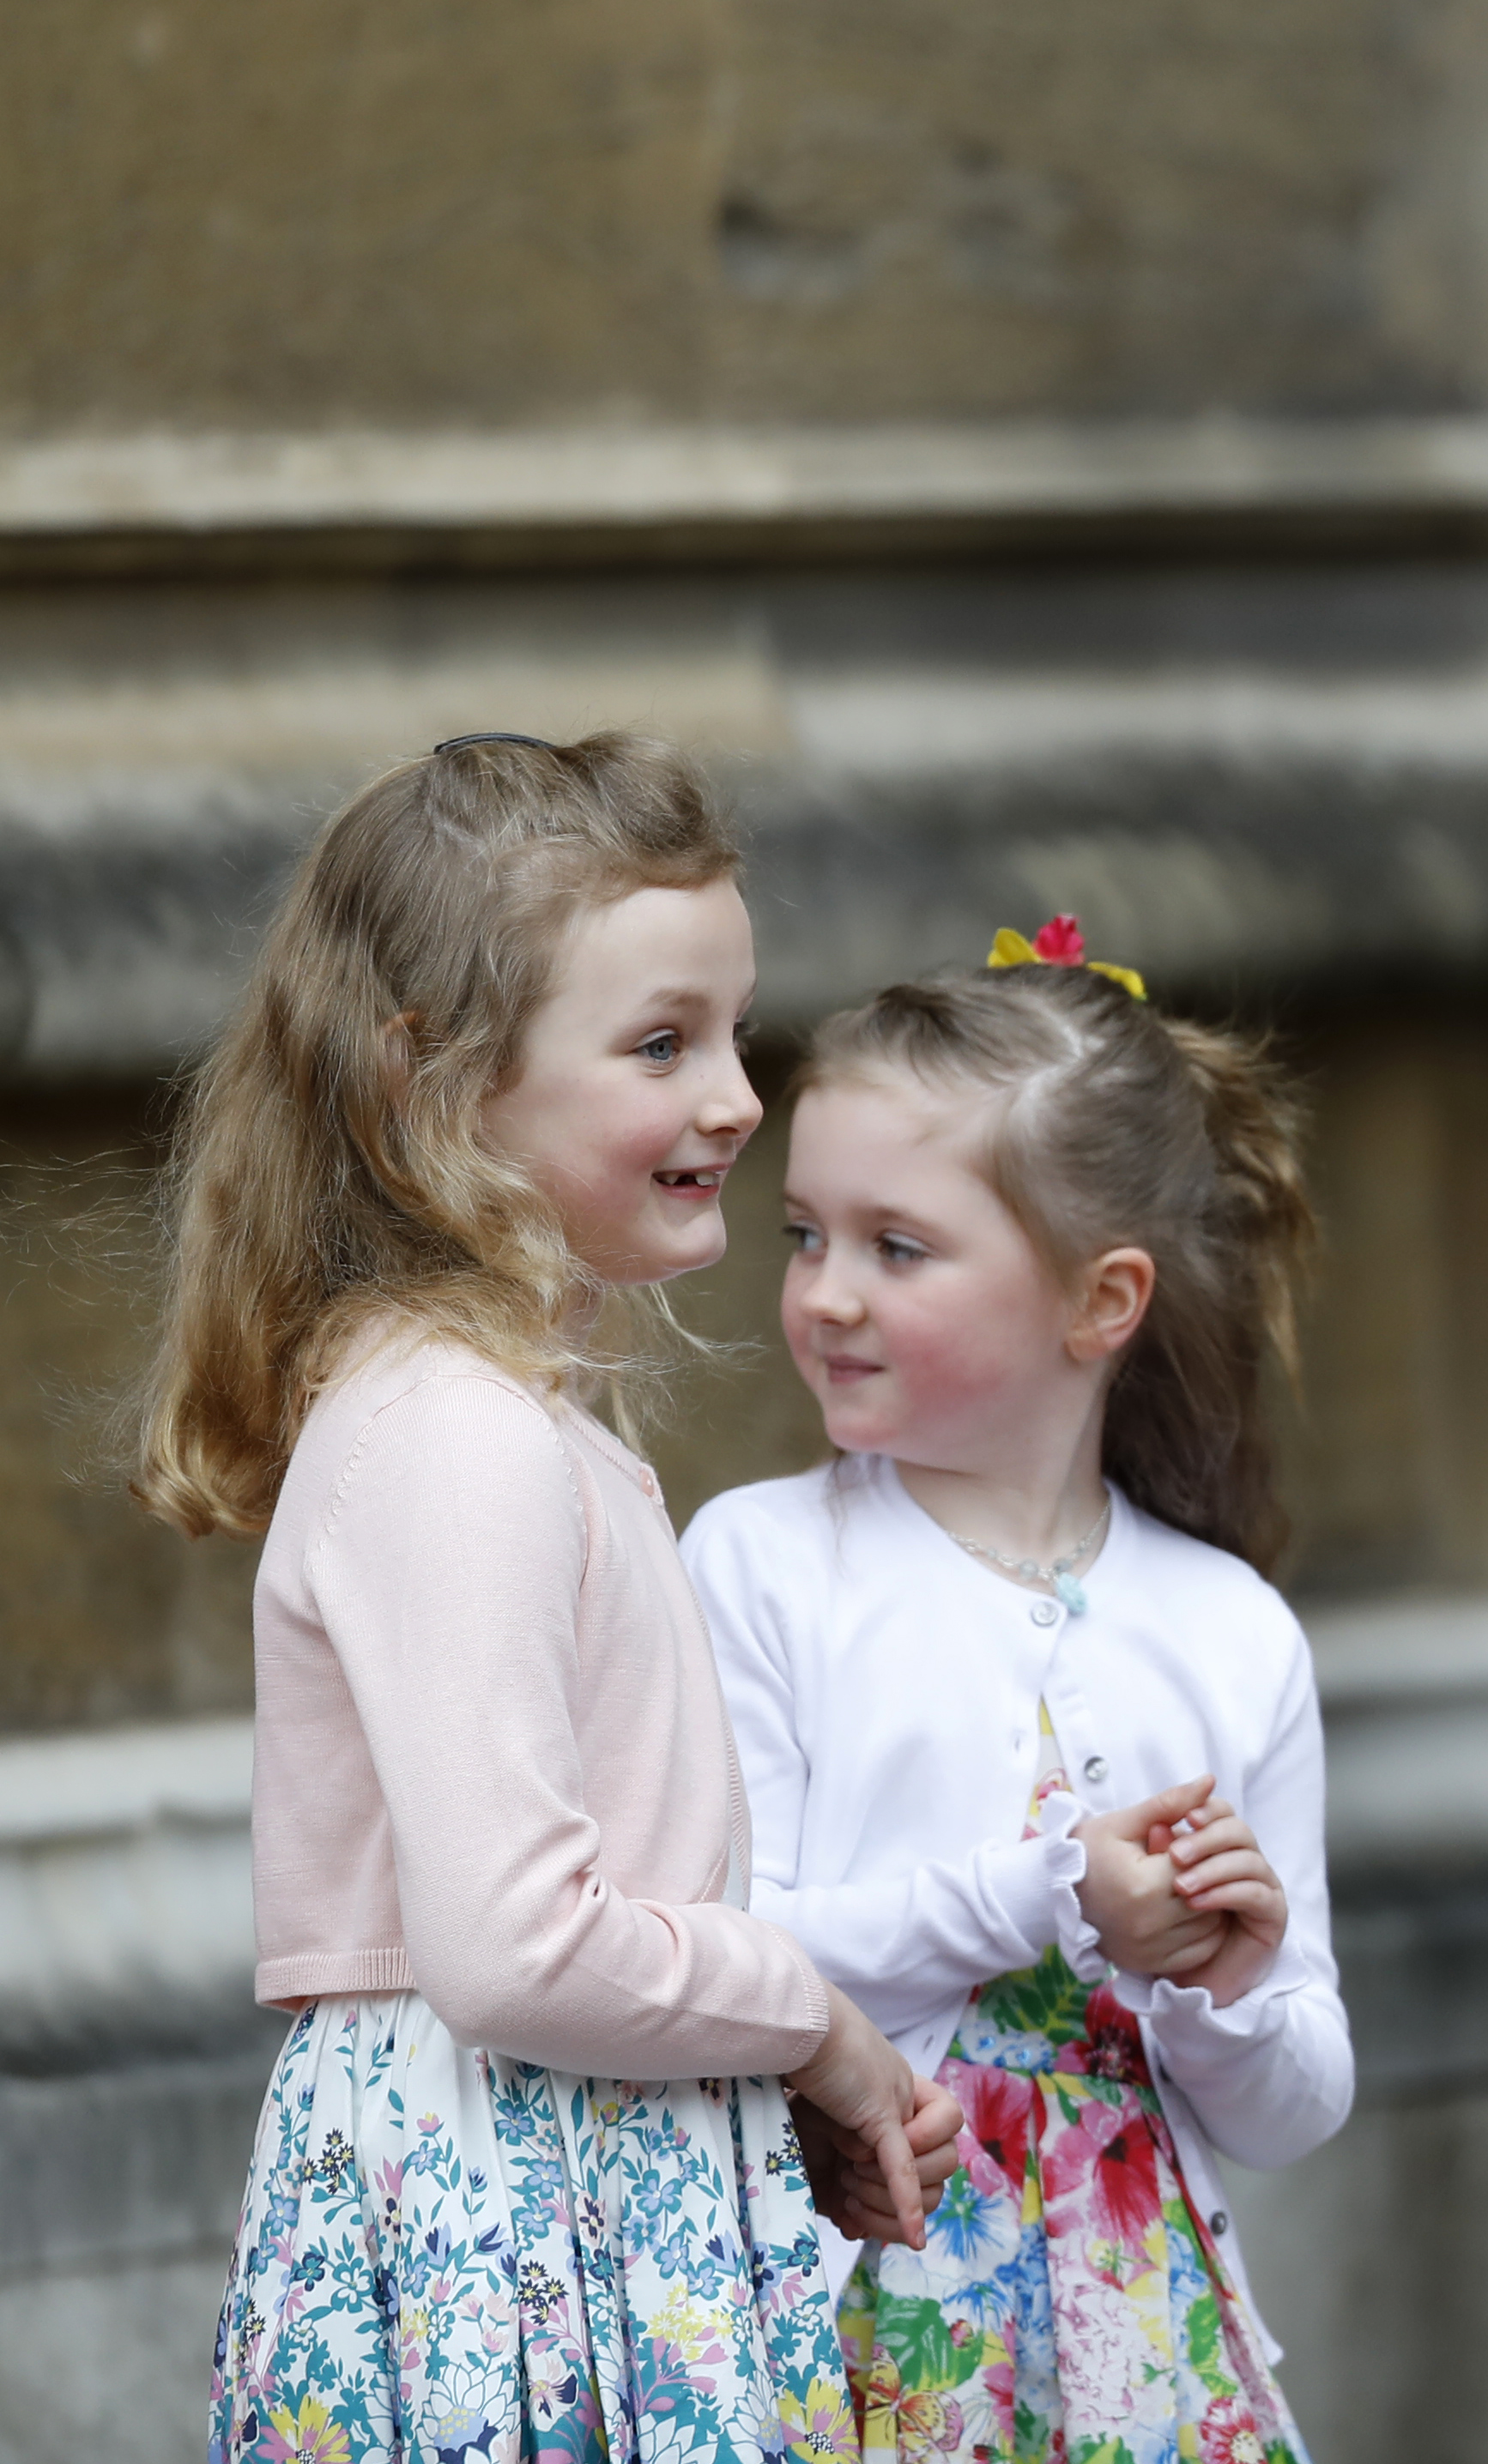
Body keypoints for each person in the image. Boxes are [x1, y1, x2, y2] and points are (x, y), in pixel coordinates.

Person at [129, 732, 965, 2463]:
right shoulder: (453, 1439)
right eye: (662, 1043)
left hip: (573, 2193)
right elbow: (514, 1948)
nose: (737, 1095)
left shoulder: (499, 1424)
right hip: (504, 2226)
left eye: (731, 1028)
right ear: (430, 1086)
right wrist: (804, 2014)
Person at [687, 923, 1349, 2461]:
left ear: (1100, 1302)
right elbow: (730, 1953)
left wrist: (1220, 1979)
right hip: (855, 2304)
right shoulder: (767, 1565)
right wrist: (1051, 1894)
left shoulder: (1230, 1629)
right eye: (804, 1235)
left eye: (896, 1247)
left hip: (1142, 2346)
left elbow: (1297, 2107)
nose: (826, 1294)